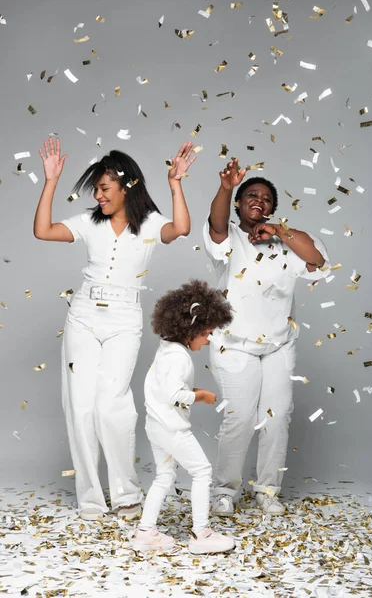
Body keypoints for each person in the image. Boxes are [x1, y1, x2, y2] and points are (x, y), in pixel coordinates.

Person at [34, 137, 197, 521]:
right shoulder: (89, 222)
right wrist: (51, 181)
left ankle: (126, 494)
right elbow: (43, 231)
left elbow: (182, 229)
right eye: (96, 189)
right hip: (84, 315)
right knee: (81, 405)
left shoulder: (152, 224)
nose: (98, 195)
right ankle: (91, 498)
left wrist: (175, 184)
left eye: (104, 188)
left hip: (125, 318)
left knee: (113, 406)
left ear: (127, 187)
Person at [203, 158, 332, 516]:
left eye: (265, 197)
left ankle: (267, 490)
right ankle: (224, 490)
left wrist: (277, 230)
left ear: (273, 207)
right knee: (241, 417)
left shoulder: (287, 240)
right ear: (239, 204)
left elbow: (317, 260)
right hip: (233, 344)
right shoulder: (227, 237)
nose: (257, 199)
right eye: (249, 195)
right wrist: (227, 186)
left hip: (278, 345)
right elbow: (215, 224)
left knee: (277, 417)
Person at [132, 280, 235, 554]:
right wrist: (200, 395)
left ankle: (145, 533)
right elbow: (174, 394)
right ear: (192, 329)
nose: (209, 339)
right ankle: (201, 535)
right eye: (207, 333)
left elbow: (166, 387)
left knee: (164, 476)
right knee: (202, 471)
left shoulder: (166, 348)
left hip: (155, 425)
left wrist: (191, 391)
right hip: (172, 428)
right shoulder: (179, 357)